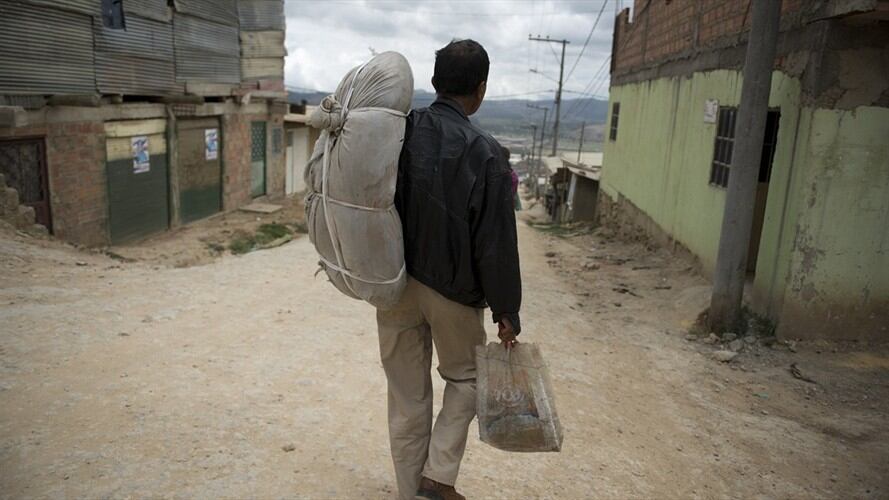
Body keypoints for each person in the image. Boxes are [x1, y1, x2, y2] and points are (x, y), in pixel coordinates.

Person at [376, 39, 522, 500]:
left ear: (436, 82)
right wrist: (506, 310)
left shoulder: (399, 131)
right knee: (466, 379)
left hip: (395, 284)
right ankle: (437, 478)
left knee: (406, 395)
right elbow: (495, 243)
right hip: (453, 293)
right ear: (480, 89)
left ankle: (409, 491)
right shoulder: (487, 152)